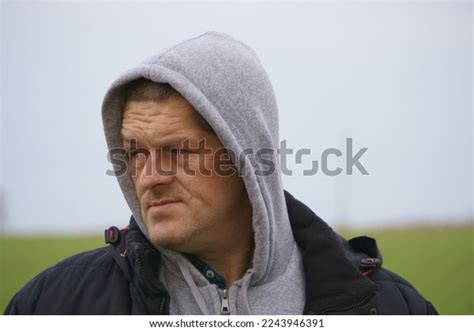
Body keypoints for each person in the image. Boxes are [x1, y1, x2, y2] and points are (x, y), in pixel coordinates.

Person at [5, 32, 437, 315]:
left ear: (244, 156)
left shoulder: (388, 308)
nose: (149, 177)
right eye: (135, 154)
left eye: (176, 151)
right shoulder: (54, 307)